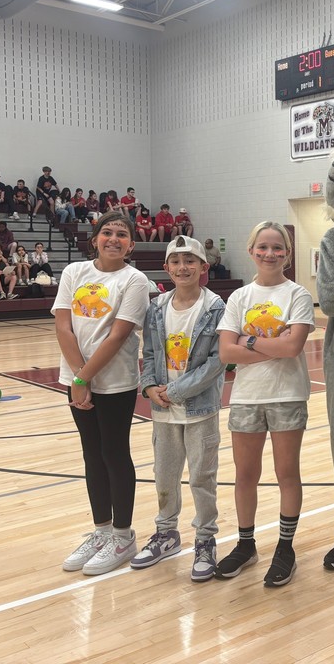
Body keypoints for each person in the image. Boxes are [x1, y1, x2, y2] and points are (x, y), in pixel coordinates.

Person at [214, 221, 315, 587]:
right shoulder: (239, 297)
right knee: (245, 475)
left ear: (287, 254)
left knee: (287, 474)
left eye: (277, 248)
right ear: (251, 250)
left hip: (287, 394)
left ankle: (285, 548)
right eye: (263, 247)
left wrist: (250, 342)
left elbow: (292, 348)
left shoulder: (298, 295)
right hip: (246, 397)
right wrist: (266, 345)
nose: (270, 253)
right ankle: (245, 543)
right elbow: (227, 352)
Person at [54, 211, 150, 575]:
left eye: (121, 234)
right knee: (91, 455)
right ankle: (101, 531)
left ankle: (123, 536)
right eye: (106, 232)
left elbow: (118, 335)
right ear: (94, 238)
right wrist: (79, 377)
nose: (113, 239)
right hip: (77, 379)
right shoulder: (73, 273)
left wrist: (85, 379)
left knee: (114, 452)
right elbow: (63, 326)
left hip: (115, 383)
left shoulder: (135, 280)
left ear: (131, 244)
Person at [134, 236, 227, 582]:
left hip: (199, 408)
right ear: (166, 268)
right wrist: (147, 386)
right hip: (163, 409)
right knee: (165, 475)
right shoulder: (156, 307)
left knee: (202, 478)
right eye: (176, 261)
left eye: (190, 261)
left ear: (204, 268)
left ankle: (205, 539)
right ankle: (166, 534)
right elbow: (151, 353)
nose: (182, 267)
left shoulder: (216, 307)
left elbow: (218, 362)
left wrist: (174, 390)